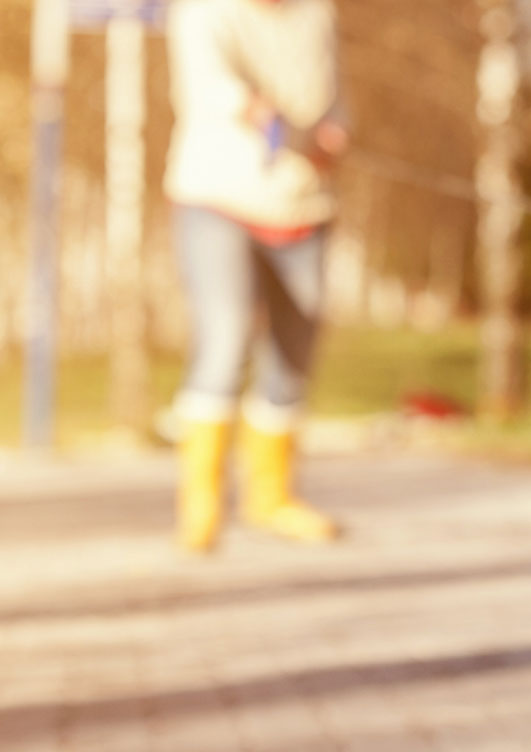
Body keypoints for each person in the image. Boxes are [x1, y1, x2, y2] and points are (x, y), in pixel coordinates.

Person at [165, 0, 349, 554]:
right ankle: (201, 500)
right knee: (226, 332)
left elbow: (335, 91)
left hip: (302, 204)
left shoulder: (318, 13)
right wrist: (256, 109)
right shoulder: (203, 13)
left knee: (297, 346)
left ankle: (270, 497)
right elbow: (211, 86)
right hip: (217, 195)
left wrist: (337, 133)